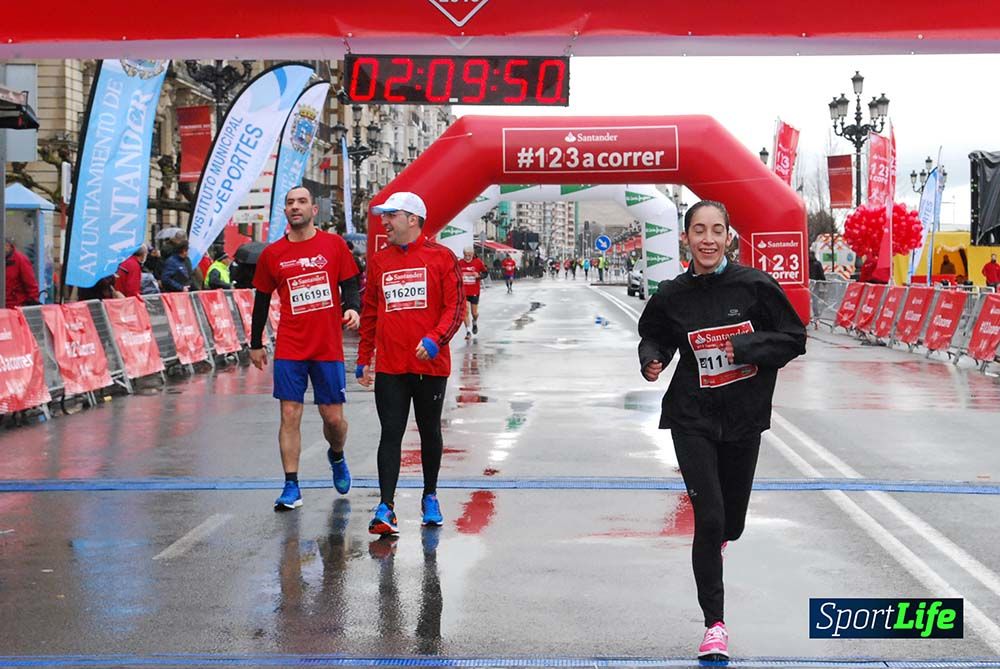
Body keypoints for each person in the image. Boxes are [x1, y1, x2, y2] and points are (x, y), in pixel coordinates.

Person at [637, 200, 806, 661]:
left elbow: (794, 338)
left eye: (716, 231)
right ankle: (714, 624)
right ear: (686, 238)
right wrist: (651, 358)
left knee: (732, 523)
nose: (707, 240)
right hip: (691, 417)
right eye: (698, 231)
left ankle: (721, 540)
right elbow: (654, 333)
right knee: (708, 519)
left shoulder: (755, 286)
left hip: (742, 417)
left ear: (730, 236)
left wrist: (746, 346)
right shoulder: (673, 293)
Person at [356, 191, 464, 535]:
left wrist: (435, 339)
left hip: (430, 366)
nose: (384, 222)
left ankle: (429, 495)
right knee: (391, 433)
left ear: (413, 219)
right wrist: (363, 358)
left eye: (391, 216)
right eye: (383, 216)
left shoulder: (442, 257)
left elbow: (455, 307)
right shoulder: (380, 260)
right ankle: (386, 507)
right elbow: (370, 309)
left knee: (429, 432)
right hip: (390, 365)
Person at [249, 185, 361, 511]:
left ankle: (336, 456)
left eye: (301, 202)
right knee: (289, 414)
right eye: (289, 203)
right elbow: (260, 300)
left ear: (314, 209)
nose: (295, 207)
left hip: (327, 346)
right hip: (290, 346)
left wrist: (352, 307)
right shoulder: (273, 254)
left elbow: (349, 283)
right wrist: (255, 343)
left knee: (334, 419)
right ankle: (291, 486)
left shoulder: (333, 245)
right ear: (285, 211)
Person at [458, 246, 488, 338]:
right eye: (465, 255)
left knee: (474, 313)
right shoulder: (459, 263)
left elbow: (486, 273)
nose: (467, 257)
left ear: (472, 254)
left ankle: (474, 322)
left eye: (469, 255)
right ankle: (468, 331)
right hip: (464, 292)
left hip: (474, 291)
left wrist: (479, 275)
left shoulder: (478, 262)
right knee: (465, 311)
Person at [4, 237, 40, 307]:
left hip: (16, 306)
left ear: (8, 246)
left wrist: (32, 302)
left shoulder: (20, 260)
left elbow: (31, 284)